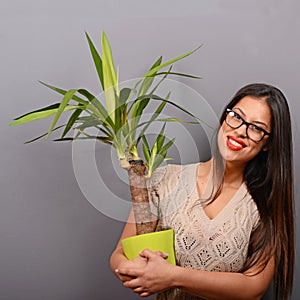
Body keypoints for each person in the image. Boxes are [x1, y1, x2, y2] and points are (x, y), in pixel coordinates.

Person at [110, 83, 294, 300]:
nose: (240, 131)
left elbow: (254, 288)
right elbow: (119, 255)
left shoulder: (263, 203)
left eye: (256, 128)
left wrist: (174, 277)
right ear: (225, 116)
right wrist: (132, 269)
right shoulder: (165, 179)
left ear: (267, 144)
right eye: (237, 116)